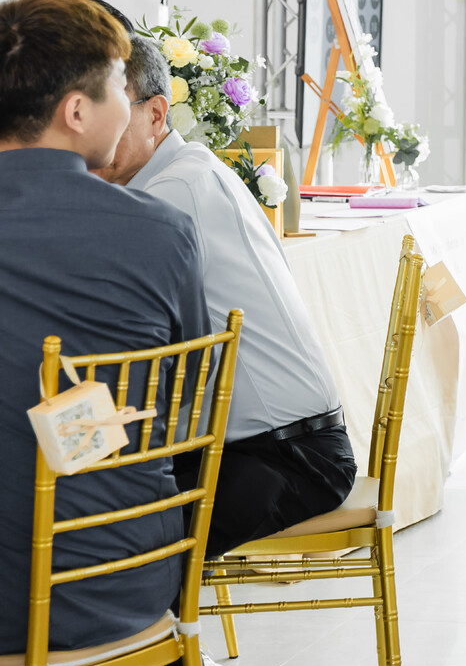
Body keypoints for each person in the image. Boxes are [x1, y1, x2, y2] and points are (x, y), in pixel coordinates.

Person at [0, 0, 209, 656]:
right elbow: (186, 402)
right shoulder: (163, 232)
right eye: (121, 84)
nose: (130, 102)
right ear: (77, 111)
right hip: (121, 578)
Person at [95, 36, 354, 558]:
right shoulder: (188, 169)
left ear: (155, 113)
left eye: (108, 115)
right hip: (269, 442)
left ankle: (158, 613)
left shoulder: (172, 192)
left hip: (285, 456)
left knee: (111, 540)